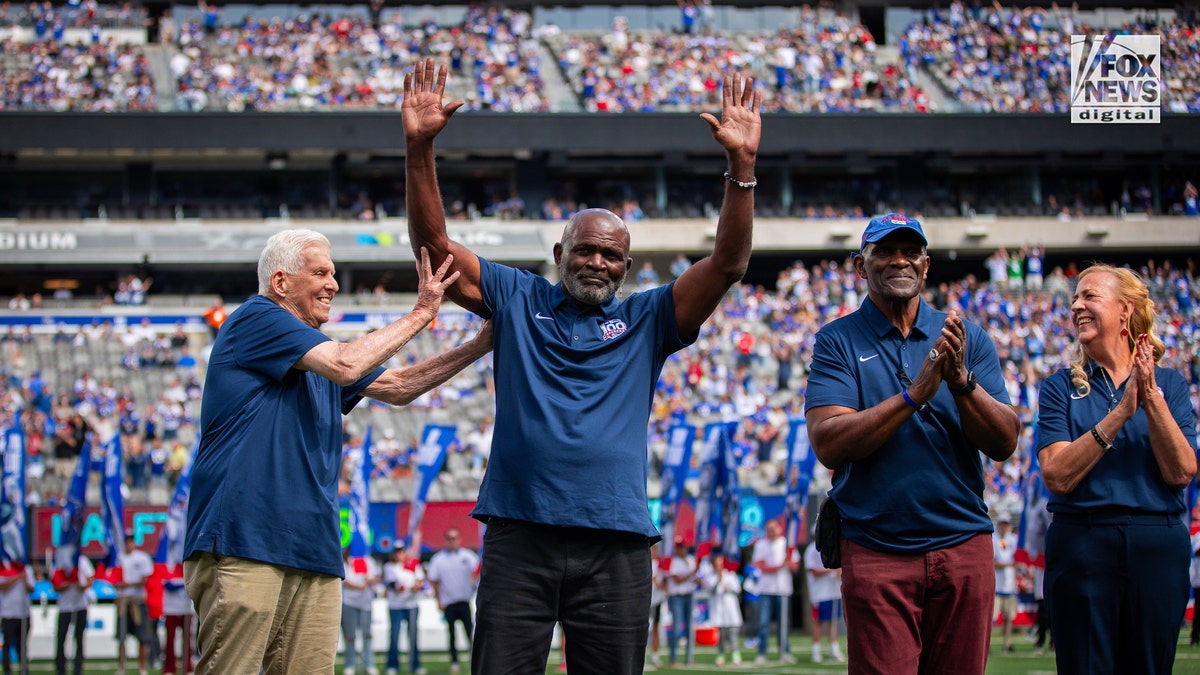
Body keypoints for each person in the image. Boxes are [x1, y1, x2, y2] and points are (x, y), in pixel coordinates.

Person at [403, 56, 760, 675]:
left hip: (615, 543)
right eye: (586, 250)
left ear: (627, 265)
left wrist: (742, 167)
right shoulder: (517, 298)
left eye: (613, 255)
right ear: (558, 253)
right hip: (521, 535)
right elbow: (435, 250)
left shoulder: (651, 319)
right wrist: (419, 150)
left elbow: (727, 263)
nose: (598, 263)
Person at [183, 229, 493, 674]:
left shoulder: (312, 353)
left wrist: (480, 344)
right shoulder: (256, 317)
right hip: (244, 538)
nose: (333, 283)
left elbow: (400, 387)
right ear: (280, 282)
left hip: (313, 548)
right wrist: (423, 312)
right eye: (321, 273)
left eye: (333, 273)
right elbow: (346, 362)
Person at [805, 213, 1021, 675]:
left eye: (910, 252)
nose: (899, 260)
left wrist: (962, 383)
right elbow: (828, 442)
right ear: (860, 267)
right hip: (877, 547)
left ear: (926, 266)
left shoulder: (966, 336)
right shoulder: (837, 339)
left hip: (963, 542)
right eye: (884, 251)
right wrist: (913, 395)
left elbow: (1005, 442)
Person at [1035, 264, 1197, 675]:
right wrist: (1121, 413)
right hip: (1082, 544)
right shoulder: (1059, 386)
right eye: (1075, 298)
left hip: (1157, 546)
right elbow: (1056, 475)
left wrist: (1151, 398)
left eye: (1089, 296)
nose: (1076, 306)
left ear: (1125, 310)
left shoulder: (1171, 385)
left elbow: (1181, 472)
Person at [426, 527, 479, 675]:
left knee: (471, 633)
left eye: (454, 538)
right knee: (452, 635)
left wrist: (473, 582)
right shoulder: (439, 559)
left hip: (464, 601)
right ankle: (454, 662)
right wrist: (438, 601)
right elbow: (434, 581)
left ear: (460, 539)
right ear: (446, 540)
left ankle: (474, 660)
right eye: (449, 538)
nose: (452, 541)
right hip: (449, 602)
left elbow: (477, 571)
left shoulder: (468, 556)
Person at [750, 518, 797, 664]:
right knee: (763, 623)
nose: (771, 532)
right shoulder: (761, 545)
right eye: (768, 529)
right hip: (766, 590)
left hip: (783, 590)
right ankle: (762, 653)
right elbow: (761, 566)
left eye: (773, 528)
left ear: (779, 529)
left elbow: (795, 567)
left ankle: (784, 651)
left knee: (783, 624)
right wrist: (779, 566)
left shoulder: (786, 544)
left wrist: (788, 563)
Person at [115, 535, 155, 675]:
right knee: (121, 637)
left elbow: (145, 579)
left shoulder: (142, 558)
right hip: (123, 601)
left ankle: (142, 667)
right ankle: (121, 667)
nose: (129, 544)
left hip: (137, 601)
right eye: (127, 542)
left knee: (142, 637)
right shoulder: (118, 558)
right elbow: (112, 578)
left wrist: (129, 584)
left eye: (131, 541)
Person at [382, 545, 425, 675]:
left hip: (411, 605)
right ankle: (392, 664)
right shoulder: (389, 567)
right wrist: (407, 586)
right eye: (396, 552)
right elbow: (393, 584)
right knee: (394, 636)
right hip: (396, 606)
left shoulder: (413, 565)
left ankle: (415, 664)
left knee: (413, 636)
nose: (398, 555)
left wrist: (416, 585)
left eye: (401, 552)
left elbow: (420, 582)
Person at [804, 538, 845, 664]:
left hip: (833, 591)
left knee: (833, 621)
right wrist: (830, 570)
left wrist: (838, 571)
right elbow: (812, 570)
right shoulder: (812, 549)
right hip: (819, 593)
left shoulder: (834, 547)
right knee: (818, 622)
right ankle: (815, 650)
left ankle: (834, 648)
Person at [52, 554, 94, 675]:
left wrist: (82, 586)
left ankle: (78, 667)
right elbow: (55, 584)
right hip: (64, 607)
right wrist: (64, 586)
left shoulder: (82, 560)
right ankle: (60, 667)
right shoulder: (60, 560)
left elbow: (90, 578)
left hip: (79, 605)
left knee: (79, 638)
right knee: (61, 638)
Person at [700, 550, 743, 667]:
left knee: (733, 634)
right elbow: (711, 589)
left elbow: (737, 589)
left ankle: (735, 654)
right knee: (722, 636)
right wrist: (719, 579)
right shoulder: (711, 577)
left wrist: (727, 586)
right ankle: (721, 655)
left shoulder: (730, 575)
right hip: (719, 611)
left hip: (731, 610)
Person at [342, 548, 381, 675]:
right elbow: (345, 581)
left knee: (367, 635)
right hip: (349, 602)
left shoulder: (367, 560)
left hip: (365, 604)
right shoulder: (345, 561)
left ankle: (369, 664)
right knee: (350, 636)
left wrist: (368, 581)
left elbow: (375, 576)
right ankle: (350, 664)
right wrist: (359, 586)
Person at [663, 542, 697, 667]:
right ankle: (673, 658)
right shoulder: (672, 561)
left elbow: (696, 578)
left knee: (689, 628)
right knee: (676, 628)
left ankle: (689, 658)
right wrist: (692, 573)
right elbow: (677, 580)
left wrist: (696, 574)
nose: (681, 549)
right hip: (676, 596)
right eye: (679, 547)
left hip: (689, 595)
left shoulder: (690, 560)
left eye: (683, 547)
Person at [0, 559, 34, 675]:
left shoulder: (26, 569)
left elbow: (32, 588)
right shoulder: (3, 568)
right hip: (8, 613)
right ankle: (7, 670)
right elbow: (2, 586)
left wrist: (23, 579)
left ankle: (24, 669)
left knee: (22, 645)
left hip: (24, 614)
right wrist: (16, 577)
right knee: (7, 644)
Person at [160, 561, 194, 675]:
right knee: (170, 639)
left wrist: (182, 584)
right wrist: (184, 584)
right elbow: (168, 585)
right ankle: (169, 667)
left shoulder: (189, 565)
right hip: (171, 609)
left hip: (186, 608)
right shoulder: (167, 565)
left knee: (187, 639)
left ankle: (188, 666)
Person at [992, 514, 1018, 654]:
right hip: (997, 585)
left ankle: (1007, 643)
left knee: (1009, 617)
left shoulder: (1012, 539)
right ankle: (988, 644)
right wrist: (1009, 563)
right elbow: (995, 561)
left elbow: (1017, 558)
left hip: (1009, 584)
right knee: (992, 618)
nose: (1003, 527)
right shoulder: (993, 538)